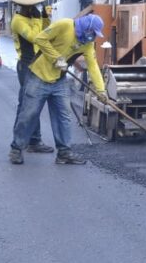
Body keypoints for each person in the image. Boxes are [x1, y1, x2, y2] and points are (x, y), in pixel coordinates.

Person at [9, 14, 108, 165]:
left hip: (59, 81)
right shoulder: (65, 25)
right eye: (92, 33)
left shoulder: (87, 44)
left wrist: (101, 90)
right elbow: (40, 39)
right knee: (29, 114)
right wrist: (56, 58)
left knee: (64, 116)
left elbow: (93, 66)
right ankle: (16, 149)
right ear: (86, 28)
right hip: (39, 76)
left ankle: (64, 153)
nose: (93, 37)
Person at [9, 0, 55, 154]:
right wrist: (37, 20)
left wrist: (44, 17)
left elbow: (47, 31)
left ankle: (34, 140)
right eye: (34, 5)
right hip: (26, 65)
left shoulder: (34, 16)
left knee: (34, 103)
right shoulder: (18, 20)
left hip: (38, 63)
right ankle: (19, 143)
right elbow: (35, 37)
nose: (36, 7)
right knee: (26, 105)